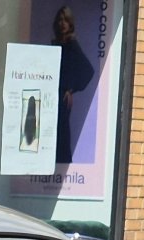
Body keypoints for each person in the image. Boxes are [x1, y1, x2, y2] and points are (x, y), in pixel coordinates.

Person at [51, 6, 95, 164]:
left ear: (70, 23)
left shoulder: (71, 45)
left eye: (65, 20)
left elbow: (88, 70)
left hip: (61, 98)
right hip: (51, 95)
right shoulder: (56, 44)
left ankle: (62, 169)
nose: (62, 23)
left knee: (61, 134)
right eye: (60, 20)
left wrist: (71, 89)